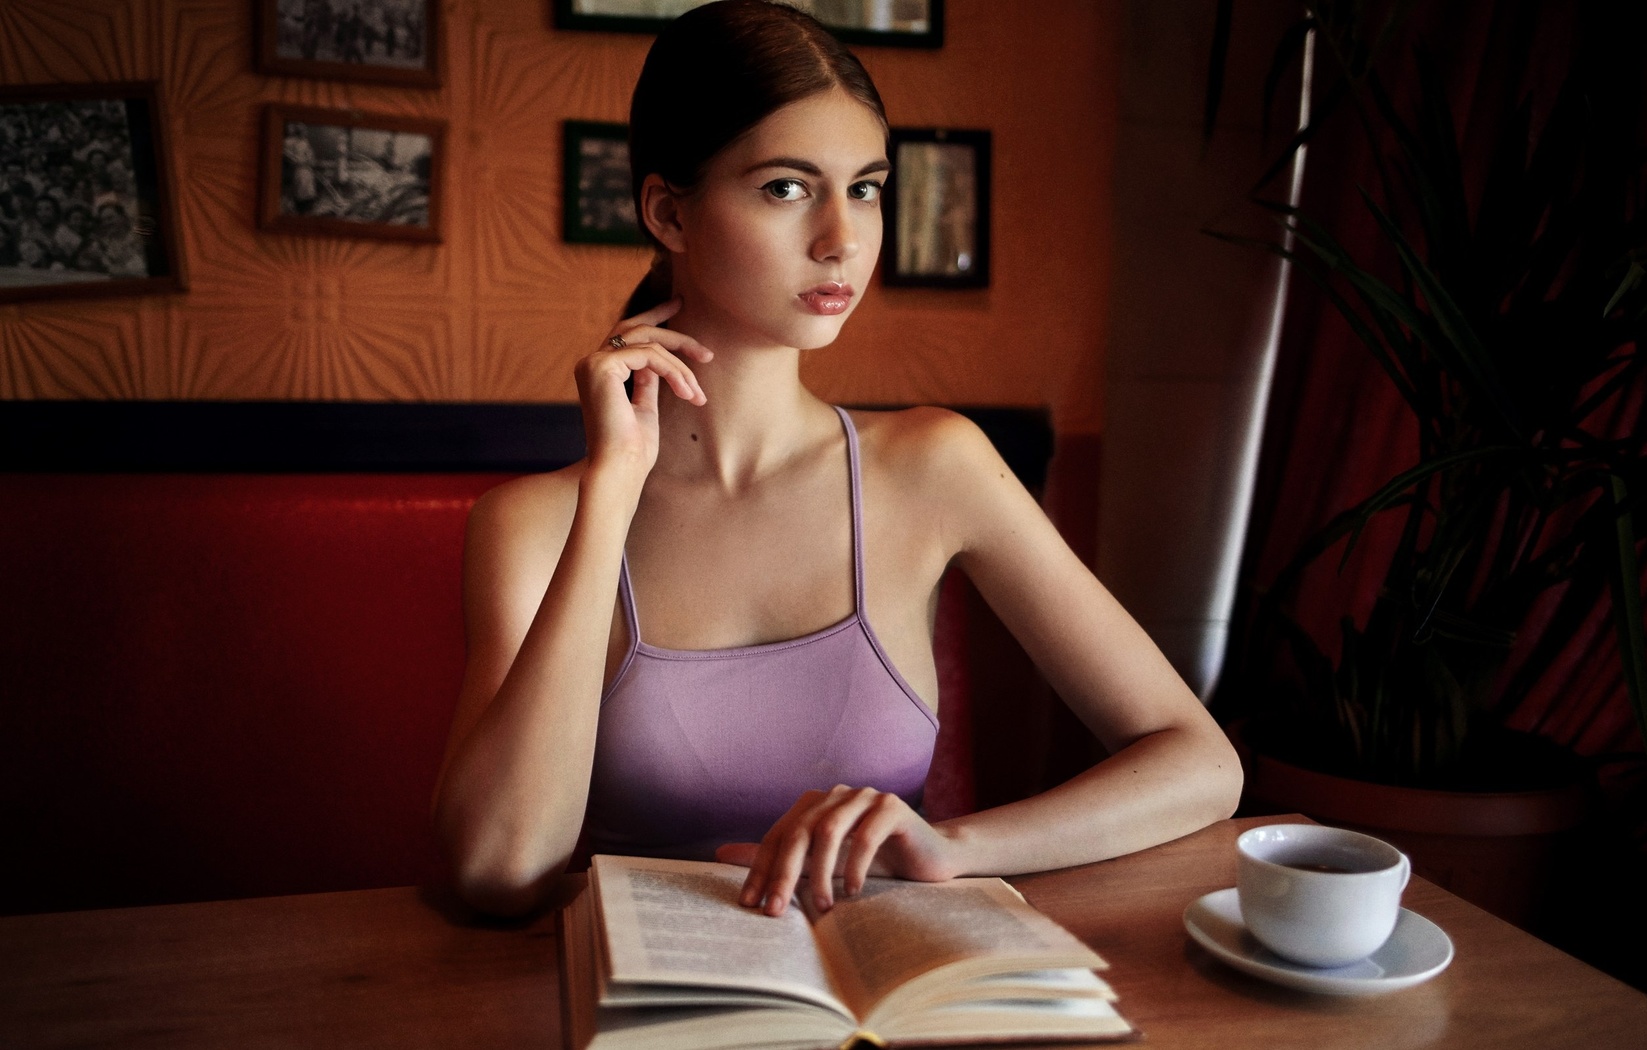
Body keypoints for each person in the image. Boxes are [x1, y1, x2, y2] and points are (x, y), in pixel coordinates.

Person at [432, 0, 1241, 919]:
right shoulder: (533, 525)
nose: (843, 239)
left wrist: (953, 847)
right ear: (669, 212)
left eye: (864, 187)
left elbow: (1200, 761)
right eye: (786, 187)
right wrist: (612, 493)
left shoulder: (935, 465)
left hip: (884, 994)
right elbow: (492, 874)